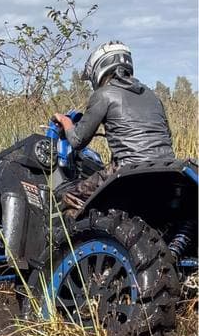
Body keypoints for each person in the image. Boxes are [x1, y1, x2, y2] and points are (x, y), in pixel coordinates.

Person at [54, 40, 175, 217]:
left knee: (69, 197)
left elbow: (77, 140)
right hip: (167, 169)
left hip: (128, 170)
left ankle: (72, 241)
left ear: (100, 69)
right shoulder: (153, 96)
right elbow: (167, 136)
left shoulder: (104, 94)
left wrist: (65, 121)